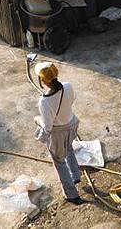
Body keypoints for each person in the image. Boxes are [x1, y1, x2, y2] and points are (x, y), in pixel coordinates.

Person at [33, 61, 83, 205]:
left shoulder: (44, 102)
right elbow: (72, 100)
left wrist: (38, 120)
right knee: (68, 148)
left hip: (58, 132)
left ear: (42, 81)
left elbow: (48, 127)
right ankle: (75, 175)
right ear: (56, 74)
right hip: (72, 125)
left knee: (58, 161)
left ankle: (72, 194)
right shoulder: (68, 86)